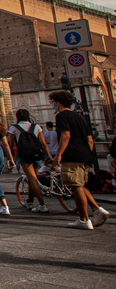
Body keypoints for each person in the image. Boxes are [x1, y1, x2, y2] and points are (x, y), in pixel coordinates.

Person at [50, 90, 109, 229]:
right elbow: (90, 139)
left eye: (53, 102)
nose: (53, 104)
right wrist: (87, 154)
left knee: (75, 187)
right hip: (85, 155)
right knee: (79, 185)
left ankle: (84, 219)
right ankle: (97, 210)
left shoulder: (62, 116)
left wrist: (58, 155)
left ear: (58, 103)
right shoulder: (79, 117)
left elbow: (65, 136)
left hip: (72, 155)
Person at [7, 109, 52, 213]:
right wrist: (48, 156)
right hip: (37, 155)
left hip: (25, 156)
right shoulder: (36, 127)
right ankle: (30, 201)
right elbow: (43, 143)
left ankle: (42, 205)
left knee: (32, 179)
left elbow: (12, 143)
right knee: (33, 178)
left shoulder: (14, 128)